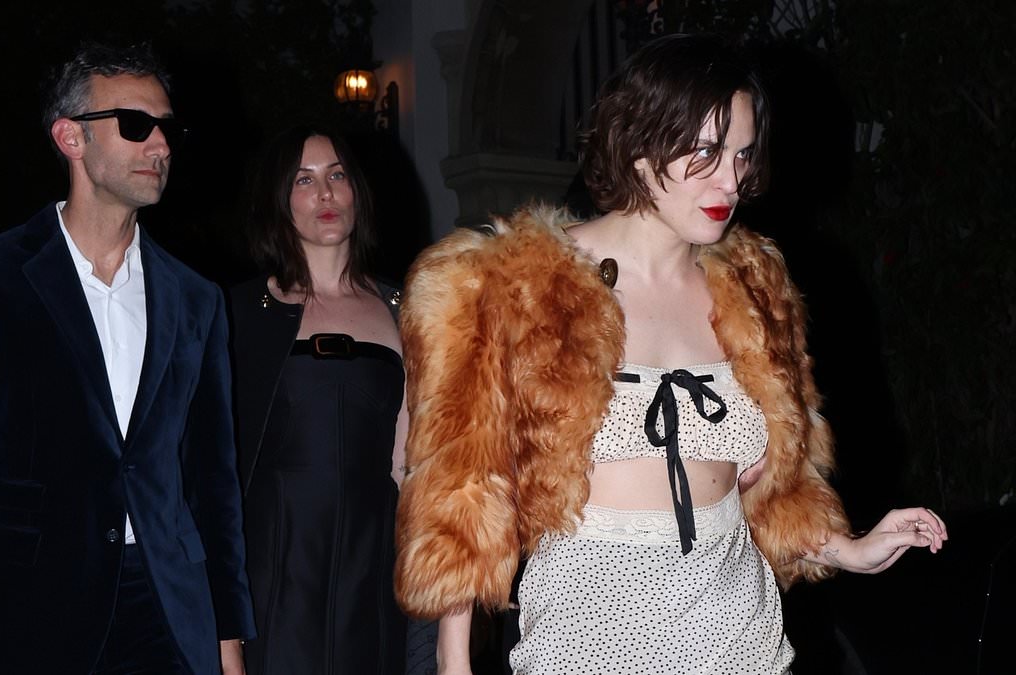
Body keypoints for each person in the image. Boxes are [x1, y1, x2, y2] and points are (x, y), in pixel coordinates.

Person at [393, 33, 948, 674]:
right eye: (706, 153)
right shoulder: (507, 285)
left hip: (739, 641)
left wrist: (850, 549)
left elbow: (777, 488)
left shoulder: (755, 288)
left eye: (742, 155)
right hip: (586, 644)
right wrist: (454, 661)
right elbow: (459, 484)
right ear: (638, 146)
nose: (730, 181)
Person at [0, 41, 253, 675]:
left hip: (168, 609)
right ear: (71, 138)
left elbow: (213, 486)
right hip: (31, 604)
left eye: (167, 129)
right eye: (136, 124)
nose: (160, 145)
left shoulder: (195, 298)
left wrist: (227, 634)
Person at [226, 125, 409, 674]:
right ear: (279, 200)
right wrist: (224, 639)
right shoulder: (236, 314)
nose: (325, 193)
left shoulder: (409, 310)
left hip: (375, 577)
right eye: (304, 180)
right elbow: (211, 481)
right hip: (270, 582)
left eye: (337, 175)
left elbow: (415, 466)